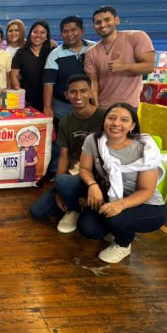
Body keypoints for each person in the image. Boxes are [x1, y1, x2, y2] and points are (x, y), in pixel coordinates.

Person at [78, 103, 166, 263]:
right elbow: (84, 168)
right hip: (109, 195)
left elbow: (146, 190)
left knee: (116, 219)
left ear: (132, 126)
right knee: (88, 229)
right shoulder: (94, 140)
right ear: (104, 120)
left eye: (124, 120)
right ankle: (116, 228)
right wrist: (92, 185)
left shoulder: (144, 150)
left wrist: (121, 205)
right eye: (111, 118)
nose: (116, 123)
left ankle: (123, 244)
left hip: (145, 203)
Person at [30, 75, 106, 233]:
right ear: (66, 95)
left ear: (91, 93)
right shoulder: (65, 121)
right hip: (75, 174)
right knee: (38, 211)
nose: (78, 96)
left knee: (92, 228)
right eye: (73, 92)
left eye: (83, 91)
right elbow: (63, 156)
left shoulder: (104, 117)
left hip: (99, 176)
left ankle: (80, 206)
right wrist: (59, 189)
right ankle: (73, 207)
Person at [84, 6, 155, 109]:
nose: (103, 25)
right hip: (104, 108)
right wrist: (96, 107)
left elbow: (149, 67)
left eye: (107, 20)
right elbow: (93, 83)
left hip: (131, 107)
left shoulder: (136, 37)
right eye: (98, 22)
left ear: (116, 20)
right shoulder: (91, 53)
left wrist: (125, 66)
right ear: (94, 26)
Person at [43, 16, 96, 119]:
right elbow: (48, 84)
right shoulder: (55, 54)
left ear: (82, 31)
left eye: (73, 30)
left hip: (90, 104)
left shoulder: (93, 48)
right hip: (62, 106)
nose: (69, 34)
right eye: (65, 31)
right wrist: (47, 107)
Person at [10, 20, 55, 112]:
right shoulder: (21, 53)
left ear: (47, 36)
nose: (38, 35)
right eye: (35, 32)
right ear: (30, 33)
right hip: (27, 101)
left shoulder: (52, 52)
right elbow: (13, 76)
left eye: (42, 32)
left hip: (50, 101)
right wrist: (21, 97)